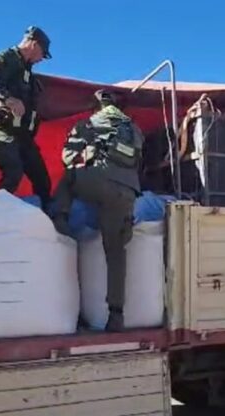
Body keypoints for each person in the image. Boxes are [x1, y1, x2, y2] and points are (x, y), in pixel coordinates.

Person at [52, 90, 143, 332]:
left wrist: (87, 160)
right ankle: (116, 314)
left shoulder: (89, 123)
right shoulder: (133, 128)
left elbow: (68, 157)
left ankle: (60, 219)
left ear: (97, 107)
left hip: (99, 180)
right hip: (126, 192)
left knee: (69, 177)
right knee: (115, 253)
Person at [0, 26, 54, 210]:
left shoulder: (27, 71)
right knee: (13, 173)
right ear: (34, 45)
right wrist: (8, 99)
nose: (41, 60)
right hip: (4, 128)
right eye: (42, 54)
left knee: (42, 180)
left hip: (23, 136)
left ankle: (46, 224)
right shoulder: (9, 57)